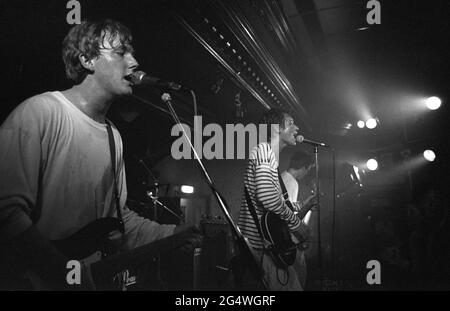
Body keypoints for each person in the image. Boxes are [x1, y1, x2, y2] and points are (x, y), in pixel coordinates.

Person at [0, 19, 199, 290]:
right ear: (87, 59)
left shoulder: (113, 136)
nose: (133, 61)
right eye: (120, 53)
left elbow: (119, 219)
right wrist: (63, 273)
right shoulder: (39, 113)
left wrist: (172, 234)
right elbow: (7, 210)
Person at [237, 108, 311, 291]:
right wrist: (297, 225)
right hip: (261, 249)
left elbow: (270, 199)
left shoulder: (269, 155)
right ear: (276, 128)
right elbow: (267, 198)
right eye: (290, 123)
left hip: (265, 248)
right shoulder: (264, 150)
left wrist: (301, 204)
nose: (297, 127)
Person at [280, 151, 316, 289]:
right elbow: (289, 220)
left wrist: (303, 204)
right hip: (287, 245)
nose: (307, 174)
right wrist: (307, 206)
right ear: (304, 167)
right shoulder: (291, 182)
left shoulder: (282, 178)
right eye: (308, 170)